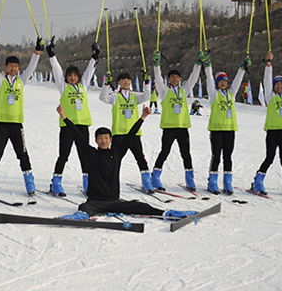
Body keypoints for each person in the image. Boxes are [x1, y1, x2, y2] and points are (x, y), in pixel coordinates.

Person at [56, 104, 197, 220]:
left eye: (106, 138)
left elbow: (130, 135)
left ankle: (168, 213)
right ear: (96, 141)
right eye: (100, 138)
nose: (103, 141)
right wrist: (64, 116)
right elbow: (77, 135)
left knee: (141, 206)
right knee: (84, 208)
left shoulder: (116, 153)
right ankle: (79, 217)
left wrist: (143, 117)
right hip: (95, 202)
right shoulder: (91, 153)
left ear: (110, 140)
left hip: (114, 201)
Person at [0, 35, 42, 197]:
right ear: (6, 67)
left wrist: (37, 52)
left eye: (16, 66)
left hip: (16, 124)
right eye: (11, 66)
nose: (14, 69)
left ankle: (29, 182)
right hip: (1, 124)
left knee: (23, 154)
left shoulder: (21, 81)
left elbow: (32, 67)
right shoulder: (0, 80)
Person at [47, 37, 99, 196]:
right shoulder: (63, 87)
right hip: (67, 126)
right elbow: (56, 69)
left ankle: (88, 183)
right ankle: (56, 183)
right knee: (64, 155)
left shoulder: (83, 85)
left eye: (75, 75)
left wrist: (95, 55)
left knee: (85, 155)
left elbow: (90, 70)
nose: (73, 77)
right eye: (70, 75)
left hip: (82, 125)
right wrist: (51, 54)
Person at [150, 50, 203, 191]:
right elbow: (157, 77)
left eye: (177, 77)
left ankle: (190, 179)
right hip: (168, 127)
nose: (174, 79)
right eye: (172, 77)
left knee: (186, 154)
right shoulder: (164, 91)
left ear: (179, 79)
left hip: (182, 127)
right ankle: (155, 177)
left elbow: (193, 78)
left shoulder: (184, 90)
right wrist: (156, 64)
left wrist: (198, 64)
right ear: (168, 79)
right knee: (164, 152)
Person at [252, 52, 282, 196]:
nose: (279, 86)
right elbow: (267, 81)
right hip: (272, 131)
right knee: (270, 157)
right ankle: (258, 181)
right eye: (277, 84)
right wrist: (268, 64)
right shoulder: (270, 96)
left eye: (281, 84)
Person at [203, 56, 250, 194]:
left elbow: (237, 81)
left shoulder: (231, 94)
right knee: (216, 156)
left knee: (228, 156)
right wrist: (208, 66)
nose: (223, 83)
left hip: (230, 130)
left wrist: (242, 69)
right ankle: (212, 182)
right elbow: (210, 80)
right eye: (220, 81)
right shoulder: (214, 94)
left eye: (225, 81)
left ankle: (227, 182)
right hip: (217, 130)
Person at [99, 72, 152, 192]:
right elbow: (102, 98)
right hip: (119, 133)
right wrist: (106, 84)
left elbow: (147, 96)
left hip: (134, 133)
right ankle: (110, 181)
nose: (126, 82)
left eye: (128, 80)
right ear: (119, 82)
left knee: (140, 157)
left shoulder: (134, 97)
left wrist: (147, 83)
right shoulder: (114, 96)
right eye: (123, 80)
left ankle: (146, 182)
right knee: (115, 159)